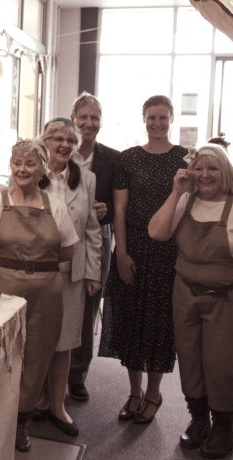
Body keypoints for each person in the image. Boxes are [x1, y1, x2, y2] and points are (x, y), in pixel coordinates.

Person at [0, 139, 78, 452]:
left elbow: (68, 248)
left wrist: (36, 267)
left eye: (30, 164)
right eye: (17, 163)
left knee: (36, 356)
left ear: (43, 168)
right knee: (0, 353)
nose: (22, 169)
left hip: (47, 292)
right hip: (3, 289)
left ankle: (20, 422)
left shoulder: (53, 204)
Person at [99, 95, 189, 424]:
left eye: (163, 118)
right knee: (130, 322)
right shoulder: (128, 159)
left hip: (168, 252)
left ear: (172, 119)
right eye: (152, 117)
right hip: (133, 246)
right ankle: (134, 392)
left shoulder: (183, 159)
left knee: (159, 323)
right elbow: (119, 211)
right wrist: (120, 253)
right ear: (143, 119)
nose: (157, 123)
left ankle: (154, 392)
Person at [148, 144, 233, 458]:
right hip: (184, 293)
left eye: (213, 168)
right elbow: (157, 232)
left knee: (220, 363)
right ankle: (198, 418)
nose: (205, 175)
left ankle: (224, 422)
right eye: (199, 168)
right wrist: (175, 192)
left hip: (224, 299)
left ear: (225, 172)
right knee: (190, 358)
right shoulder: (186, 200)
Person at [32, 119, 102, 437]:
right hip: (38, 270)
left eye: (69, 140)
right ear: (44, 141)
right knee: (39, 338)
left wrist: (93, 273)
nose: (63, 144)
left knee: (65, 342)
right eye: (57, 138)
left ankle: (58, 405)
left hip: (72, 273)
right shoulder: (31, 172)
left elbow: (91, 230)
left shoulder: (86, 178)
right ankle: (39, 400)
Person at [68, 92, 120, 401]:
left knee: (88, 306)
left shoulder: (111, 159)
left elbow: (120, 204)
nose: (89, 123)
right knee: (60, 303)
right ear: (73, 118)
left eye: (94, 118)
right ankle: (50, 370)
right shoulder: (58, 150)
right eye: (83, 117)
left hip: (97, 239)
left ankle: (78, 373)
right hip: (62, 239)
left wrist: (107, 211)